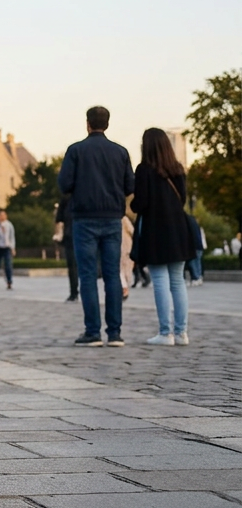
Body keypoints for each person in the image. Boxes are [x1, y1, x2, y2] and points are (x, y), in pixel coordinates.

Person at [58, 106, 134, 348]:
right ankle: (115, 333)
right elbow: (130, 186)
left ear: (87, 124)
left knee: (88, 275)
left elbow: (64, 184)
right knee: (112, 274)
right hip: (112, 218)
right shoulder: (120, 152)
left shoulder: (76, 151)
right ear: (108, 124)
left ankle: (92, 332)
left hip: (84, 218)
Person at [130, 128, 197, 346]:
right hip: (178, 230)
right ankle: (182, 333)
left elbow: (141, 203)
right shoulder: (178, 169)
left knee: (160, 280)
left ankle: (165, 333)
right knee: (178, 281)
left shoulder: (144, 170)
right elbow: (183, 199)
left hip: (155, 230)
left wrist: (132, 204)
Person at [56, 195, 79, 302]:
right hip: (71, 236)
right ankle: (74, 292)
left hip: (79, 235)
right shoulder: (66, 199)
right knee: (73, 266)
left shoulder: (67, 199)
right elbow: (59, 219)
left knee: (75, 266)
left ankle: (76, 292)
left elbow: (59, 219)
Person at [0, 210, 16, 290]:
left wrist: (13, 248)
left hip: (6, 247)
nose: (2, 217)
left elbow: (12, 237)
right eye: (0, 215)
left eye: (3, 215)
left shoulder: (9, 225)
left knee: (8, 265)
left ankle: (9, 281)